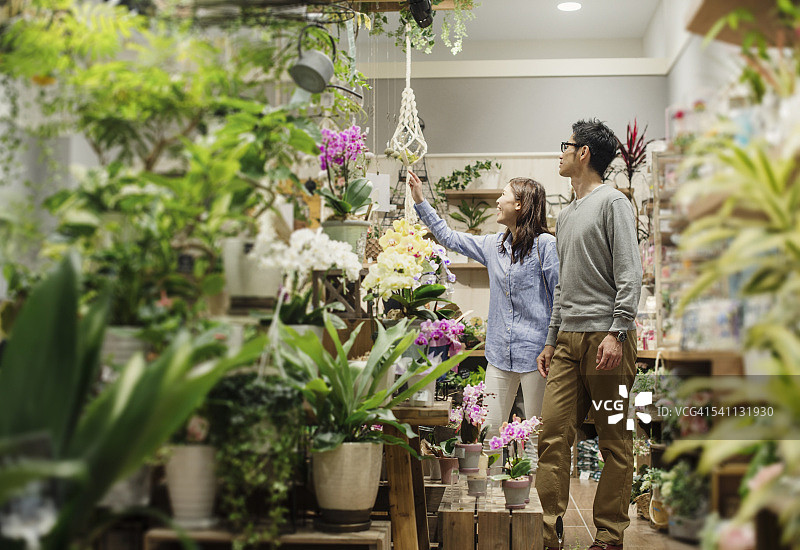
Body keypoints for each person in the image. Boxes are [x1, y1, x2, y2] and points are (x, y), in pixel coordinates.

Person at [535, 119, 642, 550]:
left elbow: (629, 274)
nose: (560, 152)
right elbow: (563, 285)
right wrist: (550, 337)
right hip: (567, 343)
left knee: (615, 439)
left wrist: (618, 331)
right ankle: (547, 532)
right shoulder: (568, 213)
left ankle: (610, 535)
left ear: (584, 154)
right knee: (553, 433)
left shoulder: (613, 202)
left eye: (567, 145)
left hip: (607, 341)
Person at [408, 170, 558, 468]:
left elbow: (560, 298)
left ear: (520, 205)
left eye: (504, 195)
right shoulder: (492, 246)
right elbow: (449, 237)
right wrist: (420, 200)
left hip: (538, 356)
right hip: (499, 354)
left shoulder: (546, 246)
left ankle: (534, 508)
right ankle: (493, 503)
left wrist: (552, 344)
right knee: (489, 433)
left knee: (537, 437)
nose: (498, 201)